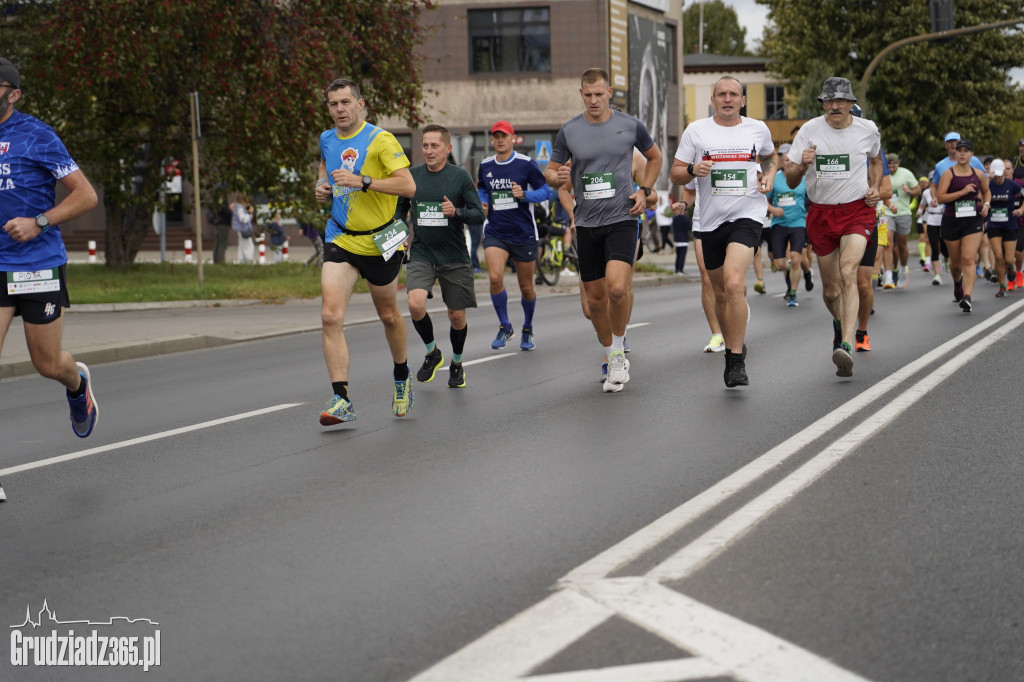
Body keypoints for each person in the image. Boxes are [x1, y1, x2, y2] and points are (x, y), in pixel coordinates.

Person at [0, 56, 101, 504]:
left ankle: (76, 383)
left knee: (46, 364)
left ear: (13, 94)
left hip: (37, 264)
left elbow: (86, 195)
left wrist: (39, 220)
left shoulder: (37, 135)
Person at [545, 67, 662, 393]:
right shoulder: (569, 131)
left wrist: (644, 190)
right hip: (586, 223)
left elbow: (655, 158)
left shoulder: (629, 125)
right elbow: (551, 174)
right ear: (581, 94)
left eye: (599, 94)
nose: (594, 100)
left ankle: (619, 349)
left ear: (609, 92)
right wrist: (558, 176)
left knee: (617, 288)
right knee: (595, 302)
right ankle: (611, 353)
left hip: (622, 217)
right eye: (588, 94)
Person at [314, 78, 416, 424]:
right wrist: (321, 186)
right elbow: (325, 167)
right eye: (333, 105)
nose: (340, 110)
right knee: (330, 316)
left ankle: (401, 376)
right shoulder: (327, 138)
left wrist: (364, 181)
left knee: (388, 315)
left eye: (345, 102)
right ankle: (341, 398)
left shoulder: (381, 140)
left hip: (380, 240)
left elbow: (408, 185)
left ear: (361, 104)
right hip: (341, 237)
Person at [670, 75, 777, 387]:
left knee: (733, 284)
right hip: (710, 221)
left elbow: (771, 157)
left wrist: (769, 175)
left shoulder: (757, 128)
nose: (728, 99)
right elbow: (677, 173)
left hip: (748, 214)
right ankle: (729, 340)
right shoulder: (697, 131)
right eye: (722, 94)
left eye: (734, 94)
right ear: (713, 100)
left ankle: (735, 358)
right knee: (718, 291)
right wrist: (692, 170)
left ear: (742, 100)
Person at [784, 76, 882, 378]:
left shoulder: (868, 130)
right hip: (821, 213)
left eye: (840, 100)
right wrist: (802, 165)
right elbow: (790, 179)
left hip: (857, 211)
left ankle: (846, 344)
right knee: (830, 292)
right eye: (829, 100)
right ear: (823, 103)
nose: (835, 106)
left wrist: (875, 186)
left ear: (852, 103)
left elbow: (877, 161)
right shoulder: (810, 130)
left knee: (849, 270)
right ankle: (839, 323)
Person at [396, 124, 484, 388]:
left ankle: (456, 363)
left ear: (447, 148)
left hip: (454, 255)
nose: (428, 151)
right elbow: (399, 211)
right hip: (422, 251)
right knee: (414, 304)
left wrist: (456, 212)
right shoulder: (411, 177)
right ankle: (432, 352)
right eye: (425, 145)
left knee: (456, 316)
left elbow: (479, 214)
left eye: (434, 146)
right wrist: (401, 233)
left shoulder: (460, 177)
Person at [477, 120, 554, 351]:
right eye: (496, 136)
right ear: (492, 140)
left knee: (526, 287)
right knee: (494, 278)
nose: (500, 140)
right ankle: (504, 325)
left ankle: (528, 328)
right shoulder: (485, 165)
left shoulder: (525, 164)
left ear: (513, 138)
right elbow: (481, 186)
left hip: (523, 233)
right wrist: (482, 200)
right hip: (496, 231)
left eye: (504, 136)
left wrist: (524, 196)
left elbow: (547, 191)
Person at [935, 138, 990, 312]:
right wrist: (963, 192)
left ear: (971, 154)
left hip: (972, 221)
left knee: (968, 258)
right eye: (960, 150)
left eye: (966, 151)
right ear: (956, 153)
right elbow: (941, 197)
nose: (962, 153)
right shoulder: (948, 174)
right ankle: (957, 282)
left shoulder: (978, 173)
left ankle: (967, 297)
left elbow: (986, 191)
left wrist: (986, 206)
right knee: (956, 263)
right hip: (952, 221)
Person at [765, 142, 808, 307]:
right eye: (785, 159)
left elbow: (812, 198)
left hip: (798, 222)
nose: (788, 161)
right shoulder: (775, 178)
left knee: (796, 258)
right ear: (781, 161)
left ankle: (793, 294)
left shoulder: (803, 178)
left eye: (790, 158)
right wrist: (773, 209)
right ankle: (790, 274)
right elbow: (763, 200)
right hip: (779, 224)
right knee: (780, 264)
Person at [984, 158, 1021, 296]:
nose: (998, 178)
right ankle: (1001, 287)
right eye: (996, 175)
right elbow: (981, 198)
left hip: (1010, 225)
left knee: (1009, 259)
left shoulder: (1012, 185)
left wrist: (1021, 210)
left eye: (1000, 175)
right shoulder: (988, 185)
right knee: (998, 257)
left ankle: (1011, 268)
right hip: (994, 225)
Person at [883, 152, 921, 288]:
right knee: (888, 244)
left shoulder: (906, 174)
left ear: (898, 163)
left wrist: (909, 191)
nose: (891, 169)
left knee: (902, 245)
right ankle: (888, 275)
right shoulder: (883, 173)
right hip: (887, 211)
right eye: (889, 166)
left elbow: (918, 190)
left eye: (894, 166)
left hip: (903, 212)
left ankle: (903, 268)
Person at [231, 193, 256, 264]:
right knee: (249, 246)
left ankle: (242, 261)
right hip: (243, 229)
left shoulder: (238, 207)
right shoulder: (240, 208)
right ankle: (248, 260)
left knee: (242, 245)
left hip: (240, 229)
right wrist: (250, 213)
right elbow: (243, 219)